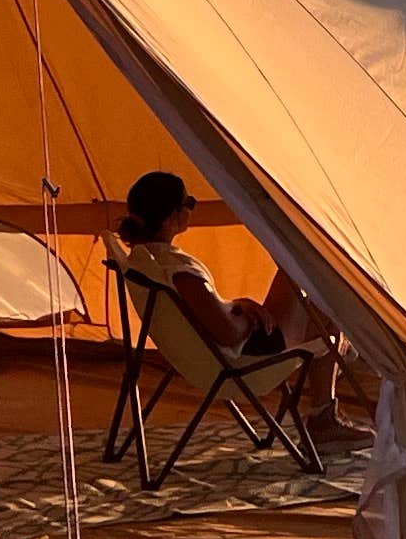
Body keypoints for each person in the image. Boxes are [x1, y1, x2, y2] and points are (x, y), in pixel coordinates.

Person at [114, 170, 366, 439]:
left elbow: (207, 313)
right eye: (189, 203)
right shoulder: (180, 271)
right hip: (245, 359)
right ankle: (333, 387)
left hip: (212, 357)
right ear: (173, 215)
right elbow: (228, 333)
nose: (191, 209)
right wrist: (250, 315)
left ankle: (333, 381)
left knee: (322, 312)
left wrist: (240, 305)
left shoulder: (145, 262)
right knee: (301, 272)